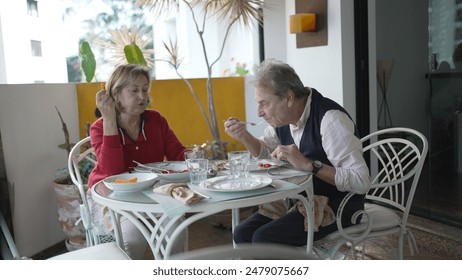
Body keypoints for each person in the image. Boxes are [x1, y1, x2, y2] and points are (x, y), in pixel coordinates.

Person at [224, 59, 371, 246]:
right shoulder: (282, 120)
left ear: (289, 98)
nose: (259, 112)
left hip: (337, 207)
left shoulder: (330, 119)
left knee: (263, 239)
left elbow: (361, 181)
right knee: (243, 233)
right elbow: (265, 151)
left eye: (264, 103)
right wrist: (244, 135)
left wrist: (310, 165)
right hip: (300, 201)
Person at [87, 64, 189, 259]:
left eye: (144, 89)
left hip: (152, 194)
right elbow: (112, 172)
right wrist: (109, 120)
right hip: (113, 197)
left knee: (176, 229)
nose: (142, 96)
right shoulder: (99, 128)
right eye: (134, 91)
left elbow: (177, 153)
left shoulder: (156, 120)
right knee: (132, 240)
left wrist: (196, 157)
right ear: (116, 94)